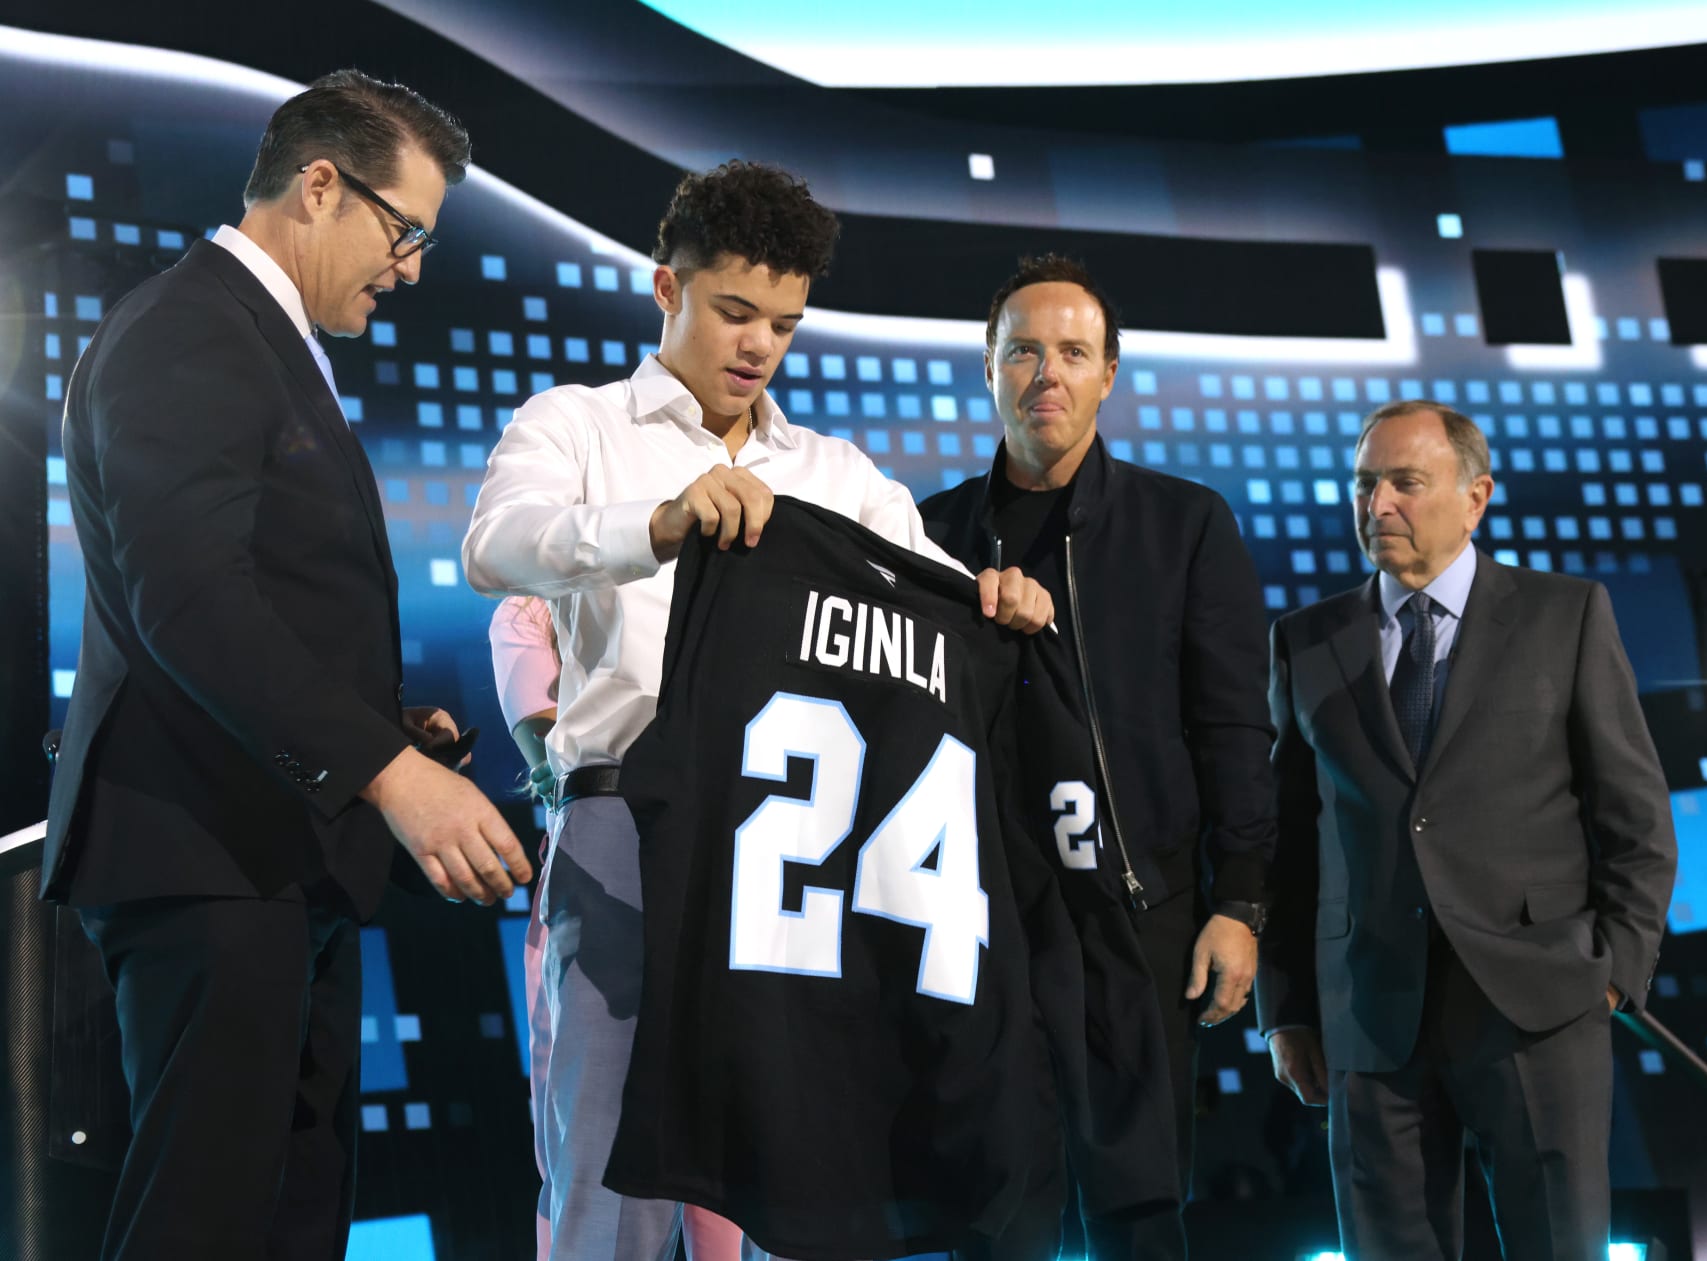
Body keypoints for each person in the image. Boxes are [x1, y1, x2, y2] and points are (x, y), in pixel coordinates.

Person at [461, 159, 1052, 1261]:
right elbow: (493, 547)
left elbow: (935, 595)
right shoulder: (577, 424)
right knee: (603, 1182)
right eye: (734, 311)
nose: (757, 346)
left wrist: (998, 601)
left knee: (792, 1172)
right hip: (622, 837)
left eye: (783, 322)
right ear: (663, 287)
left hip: (790, 859)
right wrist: (658, 521)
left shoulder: (834, 472)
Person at [42, 71, 531, 1261]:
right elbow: (191, 600)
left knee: (292, 1217)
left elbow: (252, 601)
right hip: (205, 863)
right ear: (321, 185)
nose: (412, 267)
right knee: (205, 1223)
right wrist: (386, 772)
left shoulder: (255, 339)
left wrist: (383, 727)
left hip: (273, 861)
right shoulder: (191, 327)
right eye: (405, 229)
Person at [1256, 400, 1678, 1259]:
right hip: (1368, 1017)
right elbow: (1288, 846)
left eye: (1405, 483)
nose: (1378, 506)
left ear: (1477, 496)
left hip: (1541, 1005)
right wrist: (1288, 1008)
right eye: (1365, 484)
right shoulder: (1305, 639)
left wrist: (1615, 972)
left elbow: (1634, 816)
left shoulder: (1568, 614)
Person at [920, 254, 1278, 1256]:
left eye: (1073, 352)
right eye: (1025, 351)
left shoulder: (1183, 524)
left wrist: (1238, 903)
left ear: (1110, 373)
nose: (1048, 374)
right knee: (991, 1206)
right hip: (980, 924)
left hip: (1140, 915)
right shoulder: (929, 534)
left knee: (1138, 1207)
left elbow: (1235, 728)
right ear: (987, 366)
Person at [486, 597, 754, 1261]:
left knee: (734, 1166)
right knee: (597, 1163)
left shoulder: (725, 587)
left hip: (728, 891)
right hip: (600, 890)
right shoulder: (529, 610)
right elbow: (552, 755)